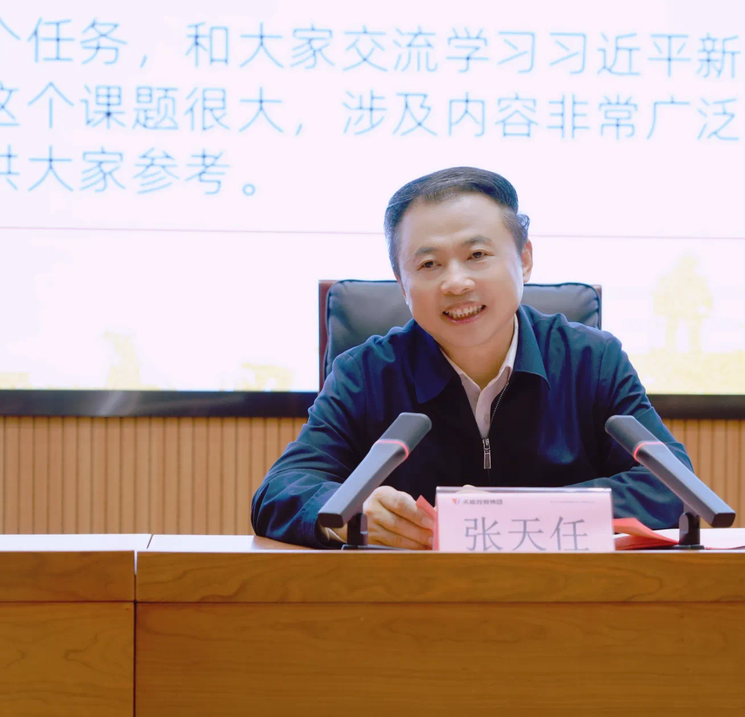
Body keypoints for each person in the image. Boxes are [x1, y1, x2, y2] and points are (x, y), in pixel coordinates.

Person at [251, 167, 689, 549]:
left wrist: (508, 511)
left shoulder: (592, 360)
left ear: (524, 260)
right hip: (410, 603)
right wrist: (351, 512)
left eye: (477, 255)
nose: (456, 283)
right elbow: (281, 491)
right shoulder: (365, 374)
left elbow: (670, 486)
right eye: (429, 265)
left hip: (565, 598)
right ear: (402, 284)